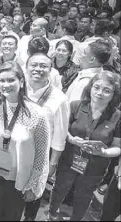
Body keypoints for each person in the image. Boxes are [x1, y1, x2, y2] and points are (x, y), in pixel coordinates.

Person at [48, 71, 121, 221]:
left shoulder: (117, 117)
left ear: (114, 94)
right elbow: (62, 130)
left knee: (84, 197)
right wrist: (71, 139)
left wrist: (104, 153)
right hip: (68, 160)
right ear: (90, 87)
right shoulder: (75, 105)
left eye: (106, 90)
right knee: (59, 189)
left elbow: (117, 147)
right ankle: (51, 215)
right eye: (96, 87)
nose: (99, 93)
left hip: (95, 167)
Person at [0, 61, 51, 221]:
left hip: (19, 179)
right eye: (2, 80)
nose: (5, 85)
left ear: (21, 82)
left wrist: (34, 185)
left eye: (10, 80)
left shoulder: (37, 114)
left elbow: (42, 156)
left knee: (11, 216)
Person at [23, 53, 71, 221]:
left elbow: (60, 135)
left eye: (43, 66)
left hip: (42, 153)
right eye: (34, 65)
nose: (38, 69)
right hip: (18, 148)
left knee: (33, 193)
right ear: (26, 67)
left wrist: (53, 163)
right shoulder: (18, 89)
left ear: (51, 70)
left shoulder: (60, 99)